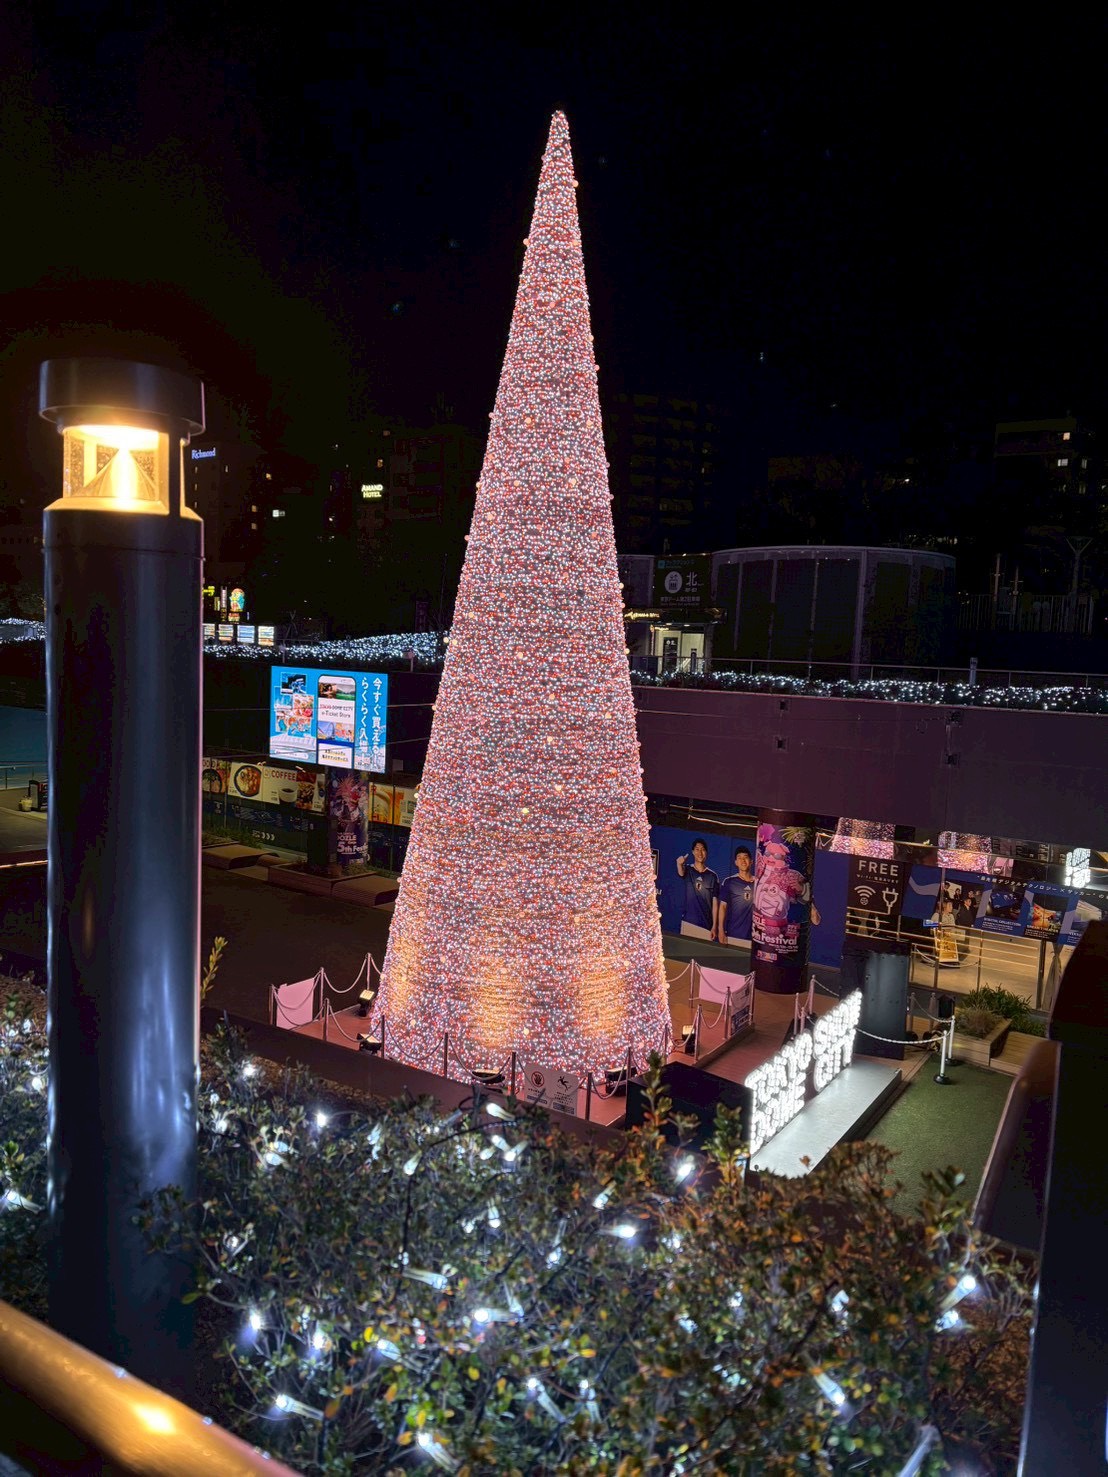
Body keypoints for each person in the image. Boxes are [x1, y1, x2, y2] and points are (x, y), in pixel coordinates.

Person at [676, 839, 719, 941]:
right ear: (693, 852)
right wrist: (679, 864)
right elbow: (681, 872)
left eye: (703, 849)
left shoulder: (713, 876)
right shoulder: (688, 869)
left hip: (706, 925)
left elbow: (715, 903)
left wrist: (714, 926)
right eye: (697, 849)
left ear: (706, 853)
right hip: (688, 922)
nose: (700, 852)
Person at [717, 845, 755, 946]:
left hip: (753, 937)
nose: (743, 861)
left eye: (745, 857)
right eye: (739, 858)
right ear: (736, 862)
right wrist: (721, 930)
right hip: (733, 934)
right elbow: (722, 907)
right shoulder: (729, 882)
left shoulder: (759, 883)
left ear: (751, 861)